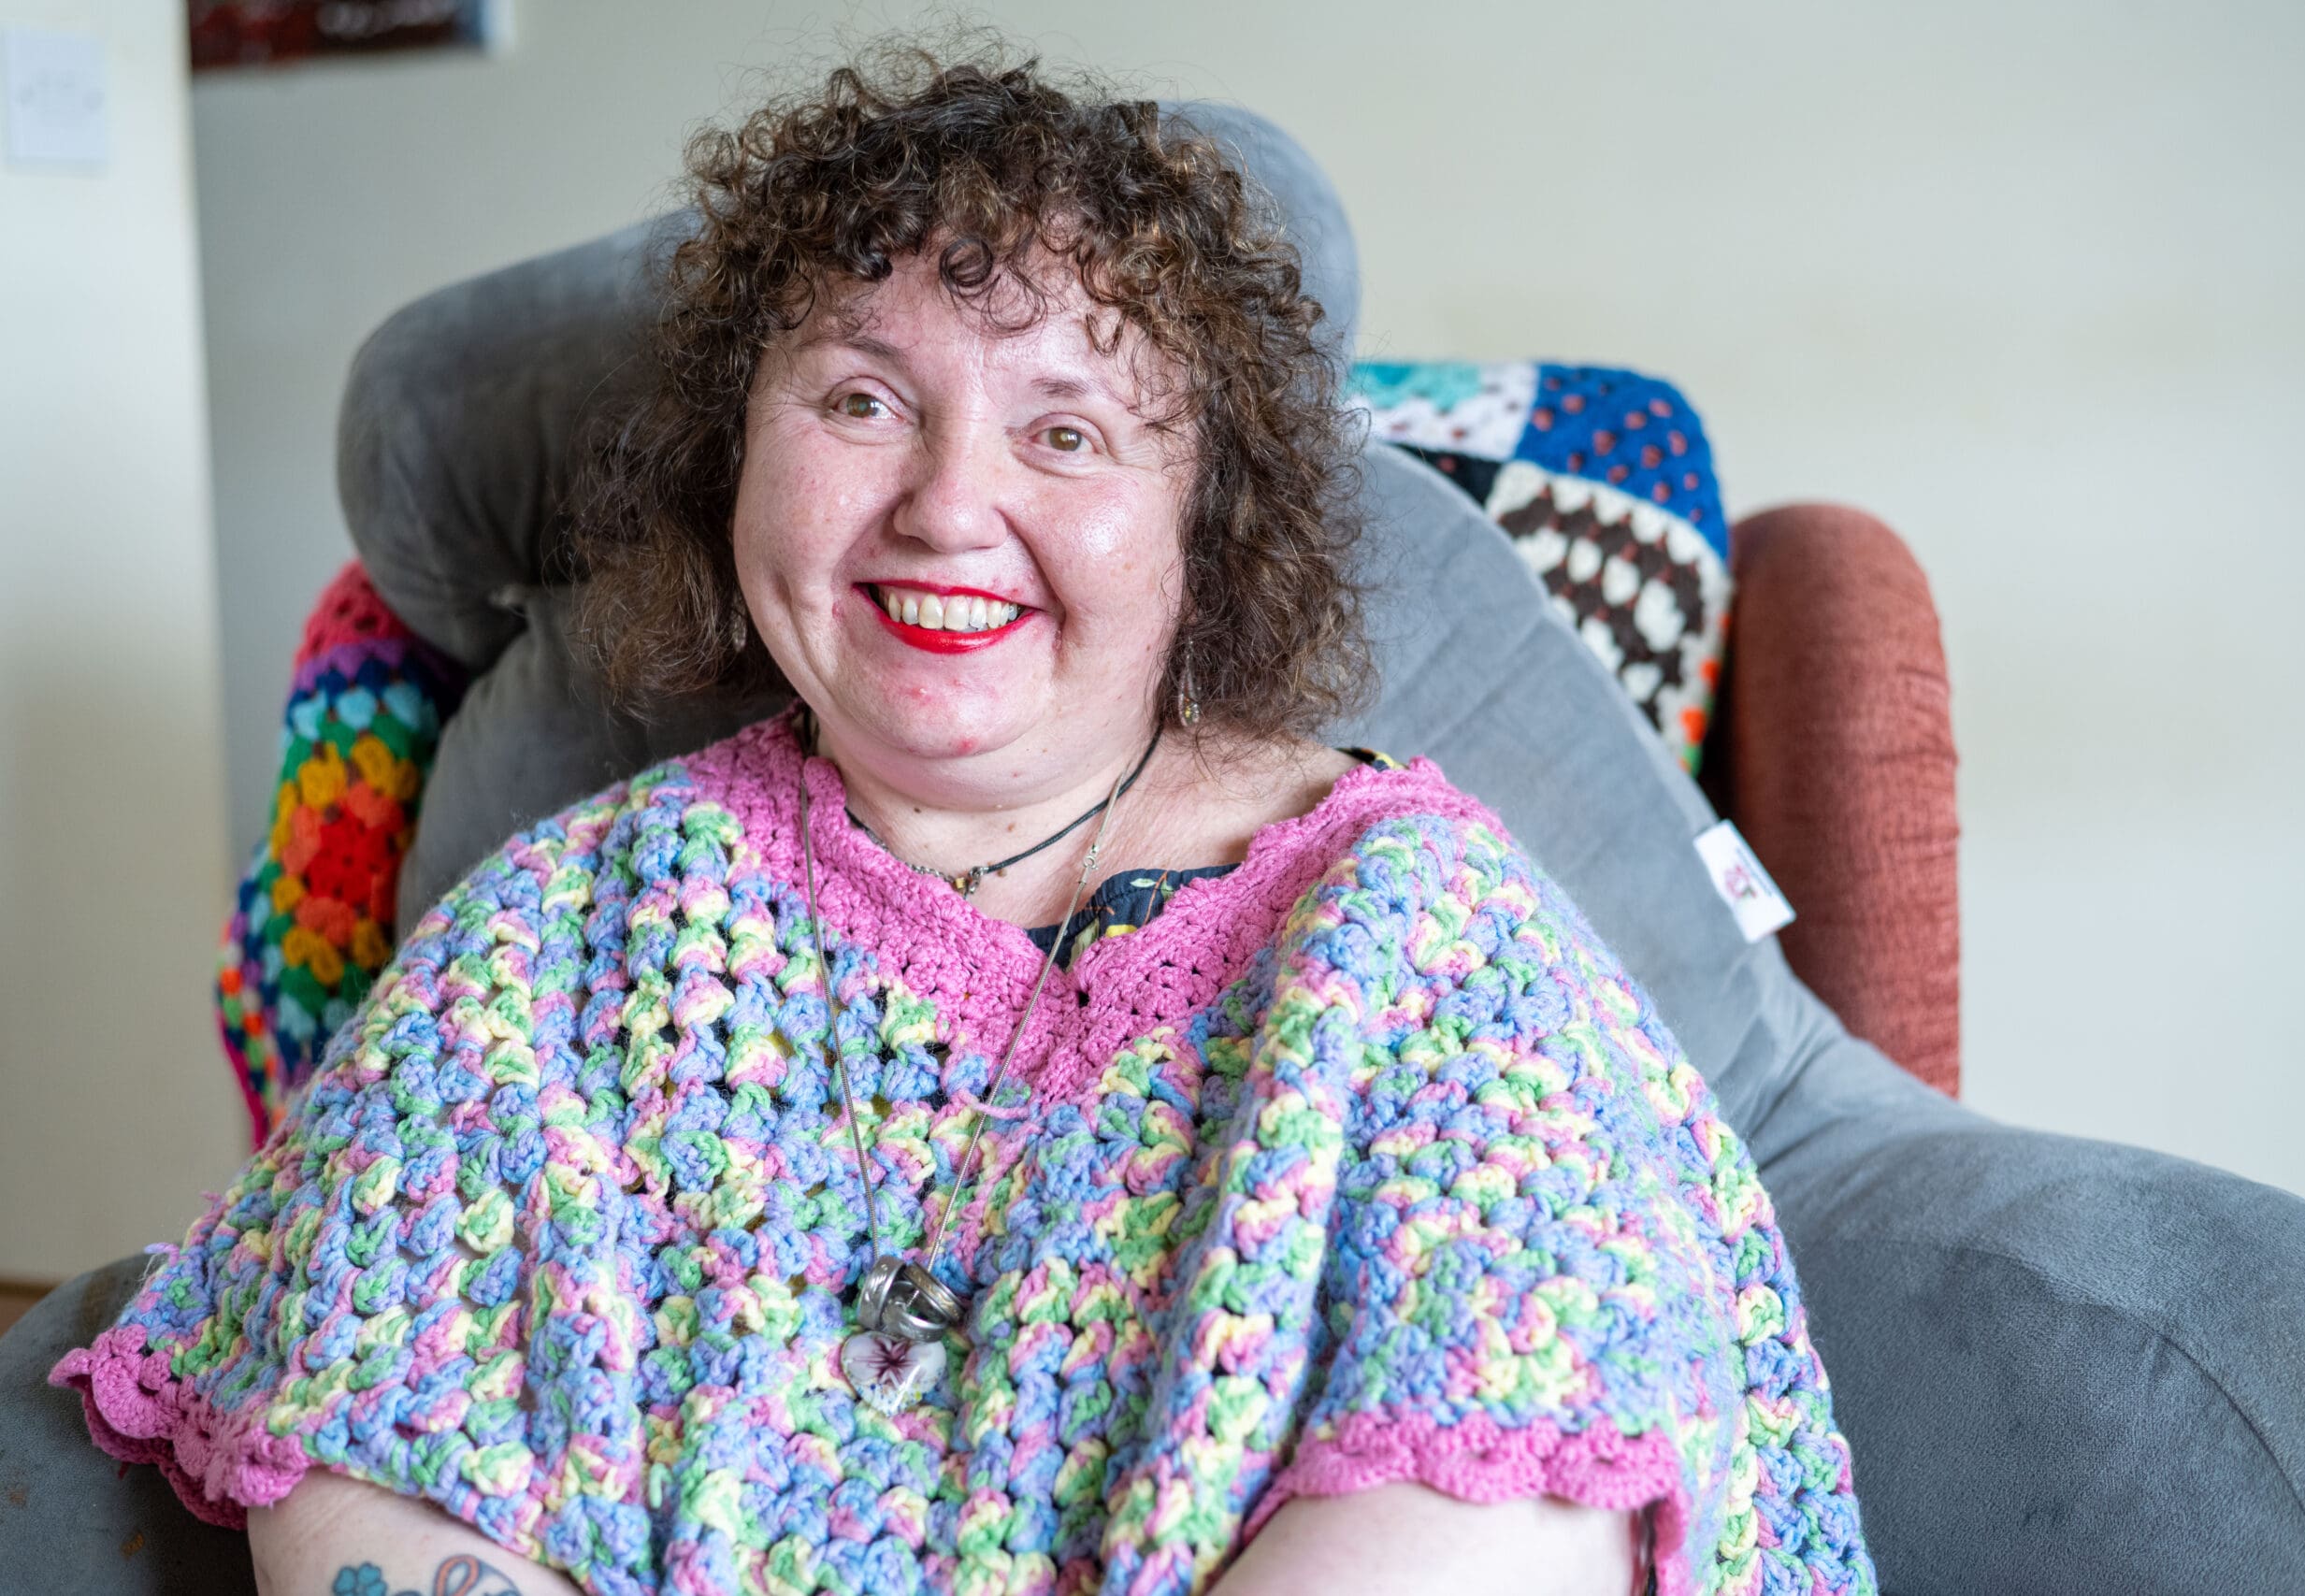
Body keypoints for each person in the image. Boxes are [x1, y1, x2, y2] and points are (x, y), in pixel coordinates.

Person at [52, 45, 1875, 1596]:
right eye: (860, 398)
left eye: (1067, 430)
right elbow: (344, 1420)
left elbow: (1527, 1440)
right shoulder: (563, 928)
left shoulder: (1414, 932)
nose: (946, 501)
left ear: (1198, 532)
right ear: (733, 461)